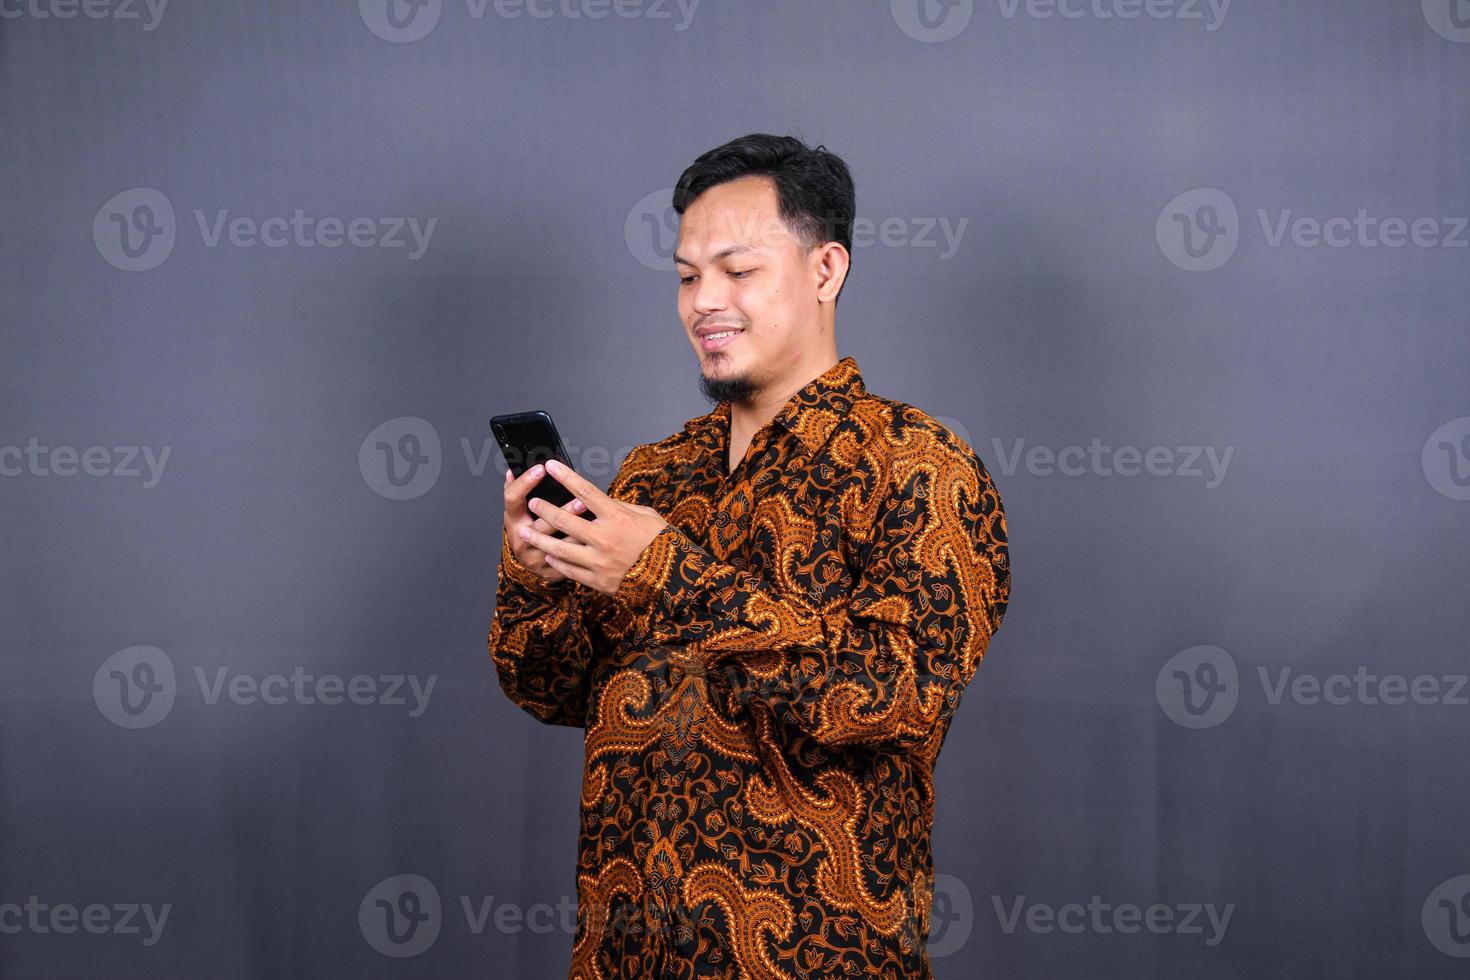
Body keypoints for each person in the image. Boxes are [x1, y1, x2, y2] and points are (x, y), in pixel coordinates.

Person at [489, 133, 1011, 979]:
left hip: (818, 959)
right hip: (624, 954)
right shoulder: (654, 474)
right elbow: (550, 690)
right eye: (688, 276)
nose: (704, 302)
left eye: (738, 270)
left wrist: (662, 572)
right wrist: (538, 577)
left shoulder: (917, 464)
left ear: (825, 270)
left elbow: (895, 698)